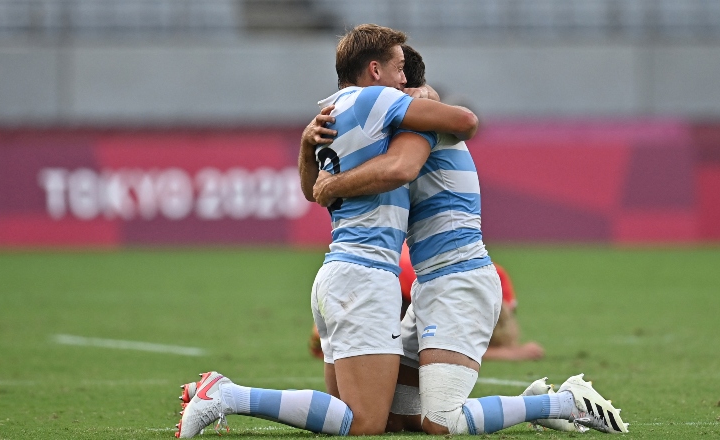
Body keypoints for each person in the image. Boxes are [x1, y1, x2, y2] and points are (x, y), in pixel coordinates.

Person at [175, 24, 480, 438]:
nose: (404, 80)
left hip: (336, 273)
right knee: (365, 423)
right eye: (399, 68)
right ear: (374, 70)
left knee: (347, 415)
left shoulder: (330, 112)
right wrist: (427, 97)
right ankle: (229, 395)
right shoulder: (376, 99)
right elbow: (464, 120)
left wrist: (305, 150)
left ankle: (227, 395)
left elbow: (310, 191)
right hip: (365, 278)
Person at [306, 43, 628, 435]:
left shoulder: (417, 126)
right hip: (432, 285)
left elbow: (402, 167)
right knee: (391, 416)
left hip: (461, 279)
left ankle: (564, 402)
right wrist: (309, 146)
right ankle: (535, 406)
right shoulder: (394, 124)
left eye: (403, 76)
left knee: (441, 421)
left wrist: (333, 184)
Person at [309, 243, 545, 362]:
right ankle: (336, 327)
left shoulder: (493, 279)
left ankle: (335, 326)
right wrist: (512, 353)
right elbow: (443, 348)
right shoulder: (484, 286)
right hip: (390, 277)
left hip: (380, 265)